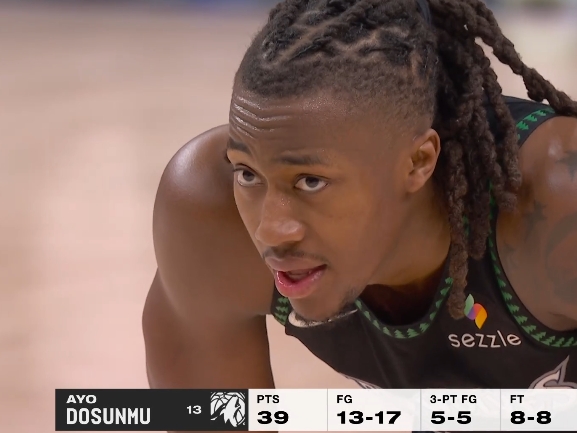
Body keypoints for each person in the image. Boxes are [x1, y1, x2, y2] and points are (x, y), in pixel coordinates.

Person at [142, 0, 577, 424]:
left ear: (418, 162)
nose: (270, 230)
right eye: (248, 174)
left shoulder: (557, 211)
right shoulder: (212, 219)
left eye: (311, 181)